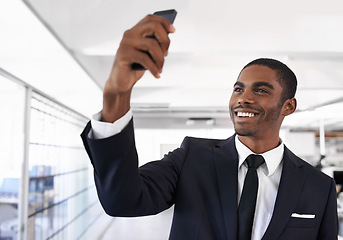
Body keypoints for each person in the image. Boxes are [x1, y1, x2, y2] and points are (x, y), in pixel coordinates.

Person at [81, 14, 338, 240]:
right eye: (238, 89)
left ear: (289, 106)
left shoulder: (318, 186)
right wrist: (117, 94)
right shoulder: (192, 158)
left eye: (260, 90)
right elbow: (122, 201)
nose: (242, 98)